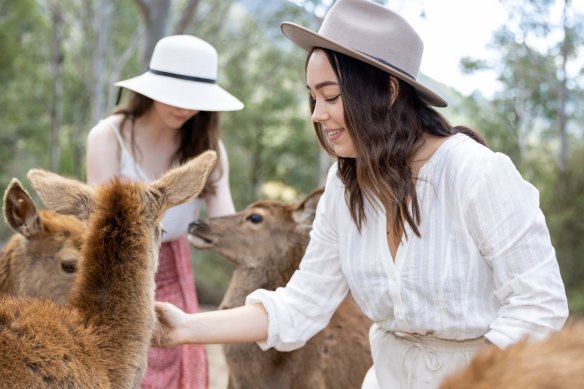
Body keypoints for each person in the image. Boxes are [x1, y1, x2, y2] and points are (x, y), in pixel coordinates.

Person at [151, 1, 569, 388]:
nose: (317, 114)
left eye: (331, 96)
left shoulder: (477, 174)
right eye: (313, 97)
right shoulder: (343, 186)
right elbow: (301, 304)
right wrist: (185, 327)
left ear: (388, 91)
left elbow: (539, 307)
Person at [86, 35, 243, 389]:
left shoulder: (207, 147)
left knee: (180, 359)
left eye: (195, 99)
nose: (184, 107)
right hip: (119, 269)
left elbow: (224, 224)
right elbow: (95, 224)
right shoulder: (109, 137)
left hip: (175, 265)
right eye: (174, 93)